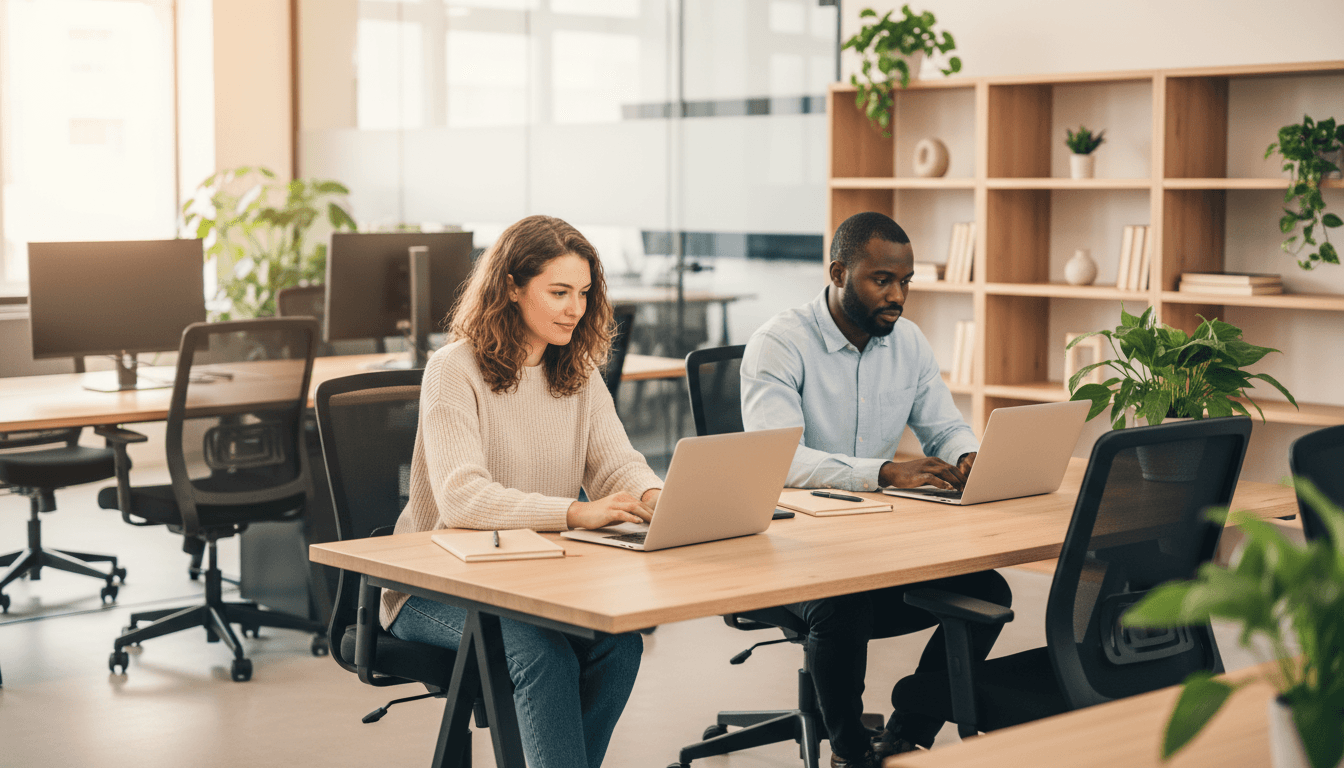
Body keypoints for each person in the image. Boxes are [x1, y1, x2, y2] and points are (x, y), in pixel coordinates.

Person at [382, 215, 664, 768]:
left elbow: (618, 467)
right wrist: (573, 513)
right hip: (434, 584)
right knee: (541, 650)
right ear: (511, 286)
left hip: (534, 578)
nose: (574, 309)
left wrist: (659, 499)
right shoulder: (453, 370)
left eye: (583, 293)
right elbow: (462, 499)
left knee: (619, 643)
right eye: (558, 292)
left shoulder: (577, 373)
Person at [740, 211, 1012, 767]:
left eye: (906, 282)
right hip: (792, 555)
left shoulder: (907, 343)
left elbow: (945, 423)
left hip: (879, 543)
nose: (898, 296)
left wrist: (966, 455)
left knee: (989, 590)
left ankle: (908, 733)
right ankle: (850, 753)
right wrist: (883, 472)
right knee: (844, 601)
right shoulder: (780, 343)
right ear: (839, 272)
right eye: (881, 280)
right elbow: (779, 460)